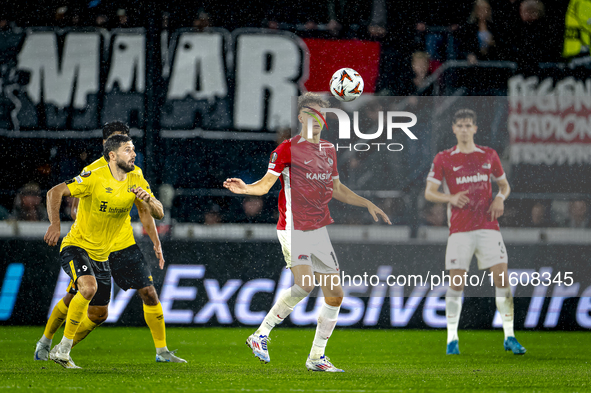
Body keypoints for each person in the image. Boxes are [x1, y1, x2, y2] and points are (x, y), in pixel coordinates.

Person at [224, 92, 391, 372]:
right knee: (305, 284)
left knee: (335, 295)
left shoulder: (328, 149)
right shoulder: (286, 149)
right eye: (312, 113)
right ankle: (260, 334)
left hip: (317, 229)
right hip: (293, 226)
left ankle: (316, 358)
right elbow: (265, 185)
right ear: (301, 117)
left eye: (322, 115)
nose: (318, 119)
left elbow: (336, 189)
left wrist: (367, 203)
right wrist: (246, 188)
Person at [35, 123, 185, 367]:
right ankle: (50, 344)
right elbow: (61, 195)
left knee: (105, 311)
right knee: (83, 290)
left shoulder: (135, 175)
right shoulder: (93, 173)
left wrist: (154, 229)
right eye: (126, 147)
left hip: (118, 245)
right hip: (81, 245)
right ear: (109, 149)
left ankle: (162, 351)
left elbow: (153, 211)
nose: (133, 153)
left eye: (132, 146)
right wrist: (55, 224)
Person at [424, 109, 526, 355]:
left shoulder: (488, 155)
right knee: (456, 283)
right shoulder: (444, 158)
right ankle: (452, 339)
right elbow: (429, 192)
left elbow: (504, 185)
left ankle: (510, 336)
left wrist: (500, 198)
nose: (464, 129)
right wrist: (450, 197)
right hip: (460, 229)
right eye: (460, 125)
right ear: (453, 129)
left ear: (475, 128)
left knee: (502, 280)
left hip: (488, 226)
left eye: (468, 125)